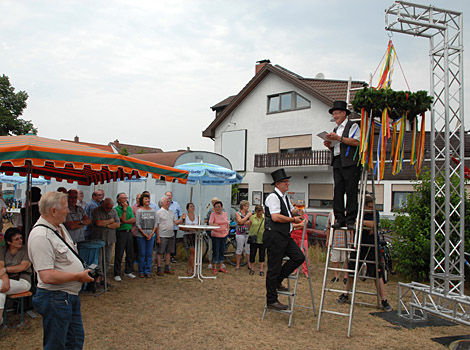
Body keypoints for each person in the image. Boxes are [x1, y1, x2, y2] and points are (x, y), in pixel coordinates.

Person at [28, 191, 94, 349]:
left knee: (75, 340)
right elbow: (47, 275)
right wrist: (78, 275)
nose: (68, 211)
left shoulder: (58, 228)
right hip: (55, 298)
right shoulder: (40, 236)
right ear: (53, 210)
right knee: (56, 345)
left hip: (67, 297)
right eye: (65, 207)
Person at [337, 195, 392, 311]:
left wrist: (362, 223)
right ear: (364, 206)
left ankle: (384, 300)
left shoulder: (375, 214)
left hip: (373, 246)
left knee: (378, 273)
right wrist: (364, 224)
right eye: (369, 207)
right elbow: (352, 223)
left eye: (373, 207)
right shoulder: (356, 212)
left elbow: (374, 224)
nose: (371, 209)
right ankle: (345, 294)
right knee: (352, 271)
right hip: (359, 246)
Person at [264, 168, 305, 311]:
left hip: (285, 236)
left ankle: (278, 280)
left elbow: (287, 211)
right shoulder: (272, 197)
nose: (288, 184)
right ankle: (271, 300)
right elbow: (275, 217)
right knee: (273, 268)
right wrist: (293, 219)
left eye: (288, 181)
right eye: (285, 181)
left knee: (299, 257)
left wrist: (296, 211)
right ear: (278, 184)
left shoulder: (285, 198)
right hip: (275, 236)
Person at [323, 100, 361, 230]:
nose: (335, 117)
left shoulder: (353, 125)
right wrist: (329, 145)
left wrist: (338, 138)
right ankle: (340, 218)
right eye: (333, 114)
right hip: (338, 161)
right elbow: (338, 147)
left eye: (337, 113)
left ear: (344, 113)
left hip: (350, 162)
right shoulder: (335, 129)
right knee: (338, 191)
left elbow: (356, 142)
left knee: (351, 191)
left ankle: (351, 219)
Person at [0, 227, 32, 324]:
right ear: (9, 242)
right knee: (0, 294)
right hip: (5, 281)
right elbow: (0, 267)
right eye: (16, 239)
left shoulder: (26, 249)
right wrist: (5, 279)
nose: (20, 241)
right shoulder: (2, 250)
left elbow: (23, 266)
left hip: (23, 281)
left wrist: (6, 270)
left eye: (21, 238)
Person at [92, 198, 120, 272]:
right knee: (99, 259)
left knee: (108, 259)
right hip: (99, 239)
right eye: (107, 208)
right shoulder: (96, 211)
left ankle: (104, 276)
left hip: (110, 239)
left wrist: (106, 225)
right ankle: (98, 275)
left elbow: (117, 224)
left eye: (110, 208)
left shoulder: (114, 211)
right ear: (103, 204)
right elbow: (98, 223)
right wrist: (110, 221)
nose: (109, 209)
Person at [156, 195, 182, 276]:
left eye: (169, 201)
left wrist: (181, 219)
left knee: (168, 252)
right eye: (166, 201)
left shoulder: (171, 212)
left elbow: (175, 222)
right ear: (162, 203)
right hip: (162, 235)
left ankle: (167, 267)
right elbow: (156, 225)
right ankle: (159, 268)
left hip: (171, 234)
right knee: (160, 252)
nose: (168, 203)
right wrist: (157, 237)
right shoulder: (158, 212)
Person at [113, 192, 136, 281]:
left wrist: (126, 221)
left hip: (129, 232)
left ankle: (128, 271)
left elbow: (133, 219)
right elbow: (121, 219)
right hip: (121, 232)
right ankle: (117, 273)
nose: (126, 199)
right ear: (119, 200)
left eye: (126, 198)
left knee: (130, 252)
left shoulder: (130, 208)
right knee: (119, 253)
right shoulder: (116, 209)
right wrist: (125, 210)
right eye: (123, 198)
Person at [135, 193, 158, 278]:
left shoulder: (153, 211)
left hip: (151, 235)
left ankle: (148, 271)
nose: (147, 200)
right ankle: (141, 271)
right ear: (142, 201)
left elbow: (156, 223)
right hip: (141, 235)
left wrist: (152, 233)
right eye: (145, 199)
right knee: (142, 253)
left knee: (149, 253)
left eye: (148, 199)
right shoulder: (139, 211)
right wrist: (144, 234)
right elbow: (137, 224)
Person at [326, 211, 348, 284]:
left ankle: (346, 276)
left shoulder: (348, 213)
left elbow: (351, 228)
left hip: (346, 240)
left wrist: (351, 239)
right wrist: (328, 239)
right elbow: (328, 227)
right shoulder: (331, 214)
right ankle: (336, 276)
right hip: (335, 240)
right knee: (335, 259)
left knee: (345, 259)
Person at [209, 201, 229, 275]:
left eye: (219, 207)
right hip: (216, 235)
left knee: (222, 250)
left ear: (222, 207)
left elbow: (227, 223)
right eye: (216, 207)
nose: (218, 208)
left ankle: (221, 267)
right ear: (214, 208)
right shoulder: (213, 214)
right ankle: (214, 267)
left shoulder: (225, 214)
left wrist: (228, 230)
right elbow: (210, 223)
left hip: (224, 235)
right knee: (216, 251)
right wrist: (215, 224)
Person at [180, 202, 198, 275]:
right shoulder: (185, 216)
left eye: (193, 206)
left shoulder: (197, 216)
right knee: (192, 251)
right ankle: (194, 270)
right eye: (191, 206)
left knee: (193, 253)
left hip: (195, 235)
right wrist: (187, 229)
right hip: (188, 235)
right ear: (187, 208)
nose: (192, 207)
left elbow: (200, 225)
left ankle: (189, 268)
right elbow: (181, 226)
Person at [290, 210, 309, 278]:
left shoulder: (305, 217)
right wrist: (296, 226)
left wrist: (295, 227)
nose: (299, 211)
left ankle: (306, 271)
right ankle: (295, 270)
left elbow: (303, 225)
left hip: (303, 238)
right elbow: (291, 226)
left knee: (304, 254)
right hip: (294, 237)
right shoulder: (293, 217)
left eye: (300, 210)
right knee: (294, 254)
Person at [235, 200, 252, 272]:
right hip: (240, 233)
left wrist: (243, 221)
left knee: (248, 249)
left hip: (248, 233)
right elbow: (239, 222)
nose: (247, 207)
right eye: (246, 206)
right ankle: (237, 265)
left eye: (248, 206)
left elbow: (250, 222)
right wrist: (246, 218)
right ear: (243, 206)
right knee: (239, 249)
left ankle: (249, 264)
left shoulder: (250, 213)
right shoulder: (237, 213)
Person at [249, 205, 266, 277]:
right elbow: (250, 226)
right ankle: (252, 268)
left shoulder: (265, 218)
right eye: (258, 212)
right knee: (253, 253)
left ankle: (261, 269)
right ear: (256, 211)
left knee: (262, 254)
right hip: (254, 238)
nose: (259, 213)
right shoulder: (252, 217)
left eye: (260, 211)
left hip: (262, 238)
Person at [165, 191, 182, 263]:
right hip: (165, 227)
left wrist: (178, 221)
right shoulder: (163, 204)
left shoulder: (176, 204)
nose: (169, 197)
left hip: (174, 227)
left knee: (173, 242)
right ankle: (164, 255)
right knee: (165, 241)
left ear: (172, 196)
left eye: (170, 195)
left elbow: (180, 214)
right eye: (167, 195)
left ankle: (172, 256)